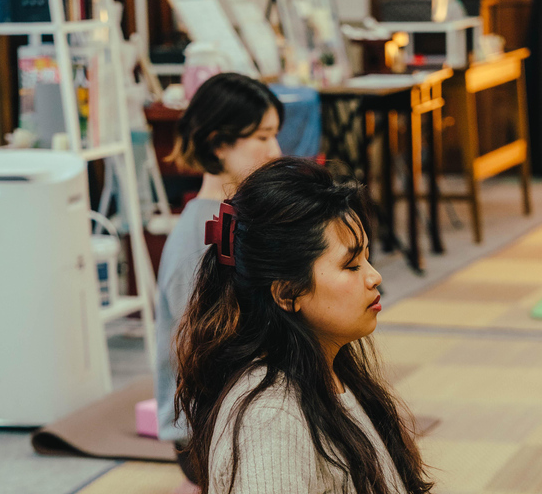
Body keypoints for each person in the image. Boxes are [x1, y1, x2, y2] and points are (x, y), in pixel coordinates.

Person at [174, 157, 434, 493]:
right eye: (352, 265)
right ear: (287, 292)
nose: (374, 277)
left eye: (367, 258)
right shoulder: (270, 419)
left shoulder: (328, 370)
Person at [154, 73, 283, 491]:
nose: (276, 151)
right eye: (262, 137)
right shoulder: (199, 235)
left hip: (242, 410)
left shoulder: (238, 217)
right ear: (218, 143)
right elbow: (206, 351)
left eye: (275, 135)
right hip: (206, 434)